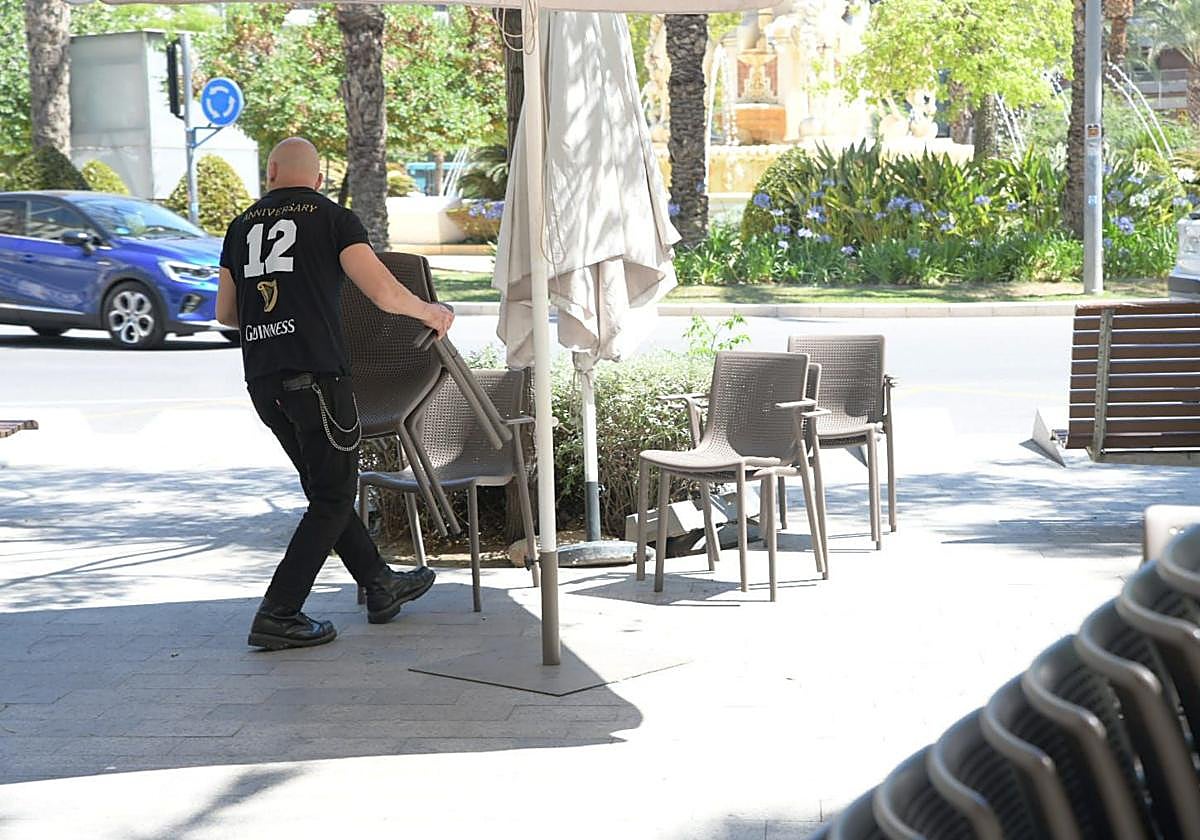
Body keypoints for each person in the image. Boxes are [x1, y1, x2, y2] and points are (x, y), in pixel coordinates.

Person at [216, 137, 454, 651]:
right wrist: (430, 312)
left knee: (325, 490)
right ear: (320, 180)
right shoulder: (332, 218)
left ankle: (380, 584)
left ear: (271, 172)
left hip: (265, 381)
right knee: (332, 497)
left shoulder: (240, 227)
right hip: (318, 381)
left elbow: (226, 314)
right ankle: (279, 611)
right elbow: (383, 292)